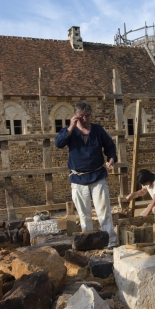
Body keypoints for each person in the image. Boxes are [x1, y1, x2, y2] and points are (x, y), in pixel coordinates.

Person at [55, 101, 118, 248]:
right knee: (84, 215)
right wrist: (70, 127)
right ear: (75, 116)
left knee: (104, 212)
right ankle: (89, 243)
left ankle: (111, 242)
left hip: (97, 176)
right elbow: (58, 143)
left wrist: (112, 159)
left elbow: (109, 146)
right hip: (78, 178)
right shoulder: (69, 131)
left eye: (87, 116)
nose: (84, 119)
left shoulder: (97, 130)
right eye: (81, 116)